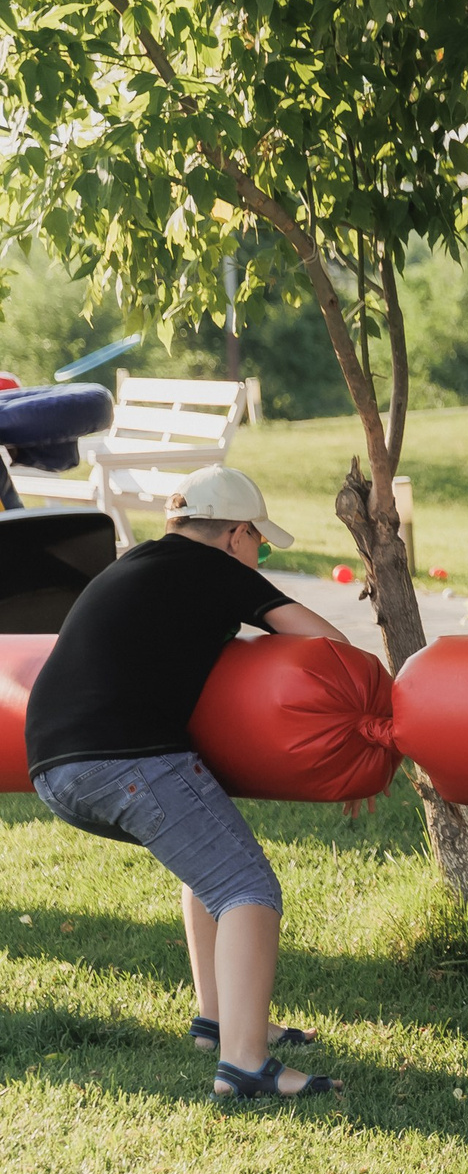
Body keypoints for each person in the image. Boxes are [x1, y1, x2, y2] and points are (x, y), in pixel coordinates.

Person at [25, 467, 352, 1104]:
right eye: (259, 544)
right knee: (248, 890)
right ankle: (246, 1065)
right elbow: (331, 643)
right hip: (123, 758)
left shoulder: (135, 564)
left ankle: (217, 1020)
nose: (257, 556)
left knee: (210, 868)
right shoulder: (218, 570)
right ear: (235, 534)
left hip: (54, 768)